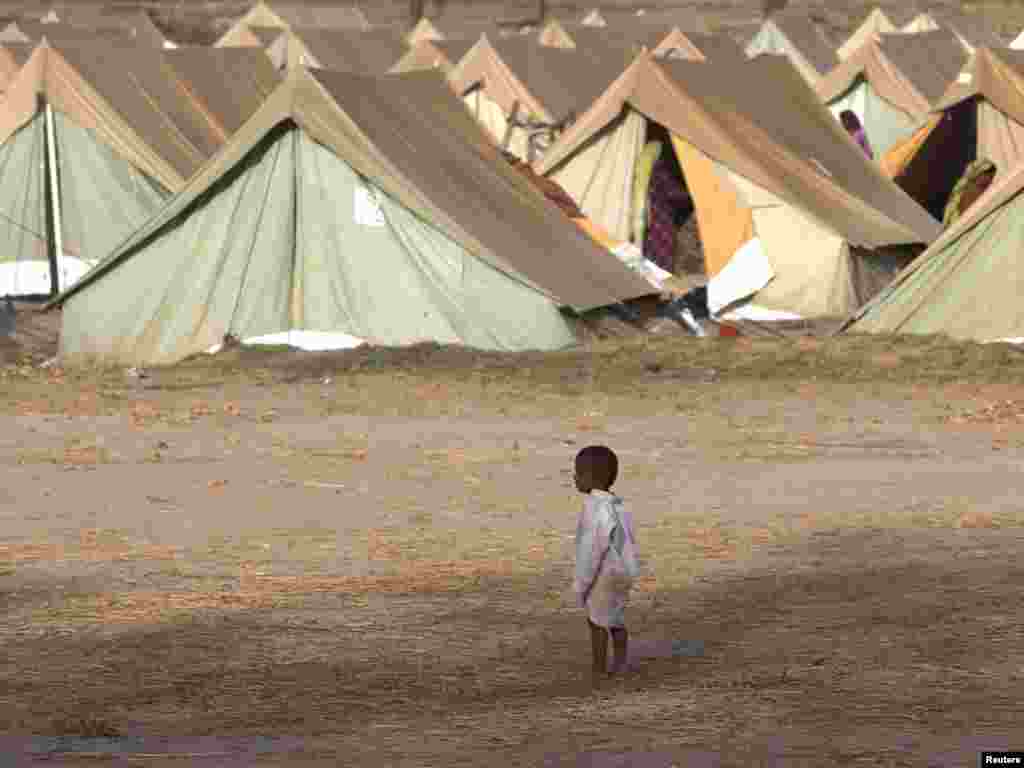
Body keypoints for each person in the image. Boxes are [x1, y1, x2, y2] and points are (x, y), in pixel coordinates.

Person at [573, 445, 641, 681]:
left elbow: (592, 549)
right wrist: (631, 570)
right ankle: (621, 664)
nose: (574, 478)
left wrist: (582, 583)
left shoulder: (594, 508)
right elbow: (627, 539)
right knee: (616, 619)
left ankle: (599, 670)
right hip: (623, 570)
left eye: (578, 473)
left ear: (590, 478)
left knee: (597, 622)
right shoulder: (618, 504)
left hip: (604, 572)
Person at [643, 149, 692, 274]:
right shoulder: (653, 160)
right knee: (662, 271)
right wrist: (695, 194)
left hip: (640, 227)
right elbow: (674, 192)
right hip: (660, 225)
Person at [943, 159, 997, 229]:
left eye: (992, 177)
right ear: (978, 173)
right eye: (988, 175)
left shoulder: (986, 190)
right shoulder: (963, 188)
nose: (990, 180)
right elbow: (951, 213)